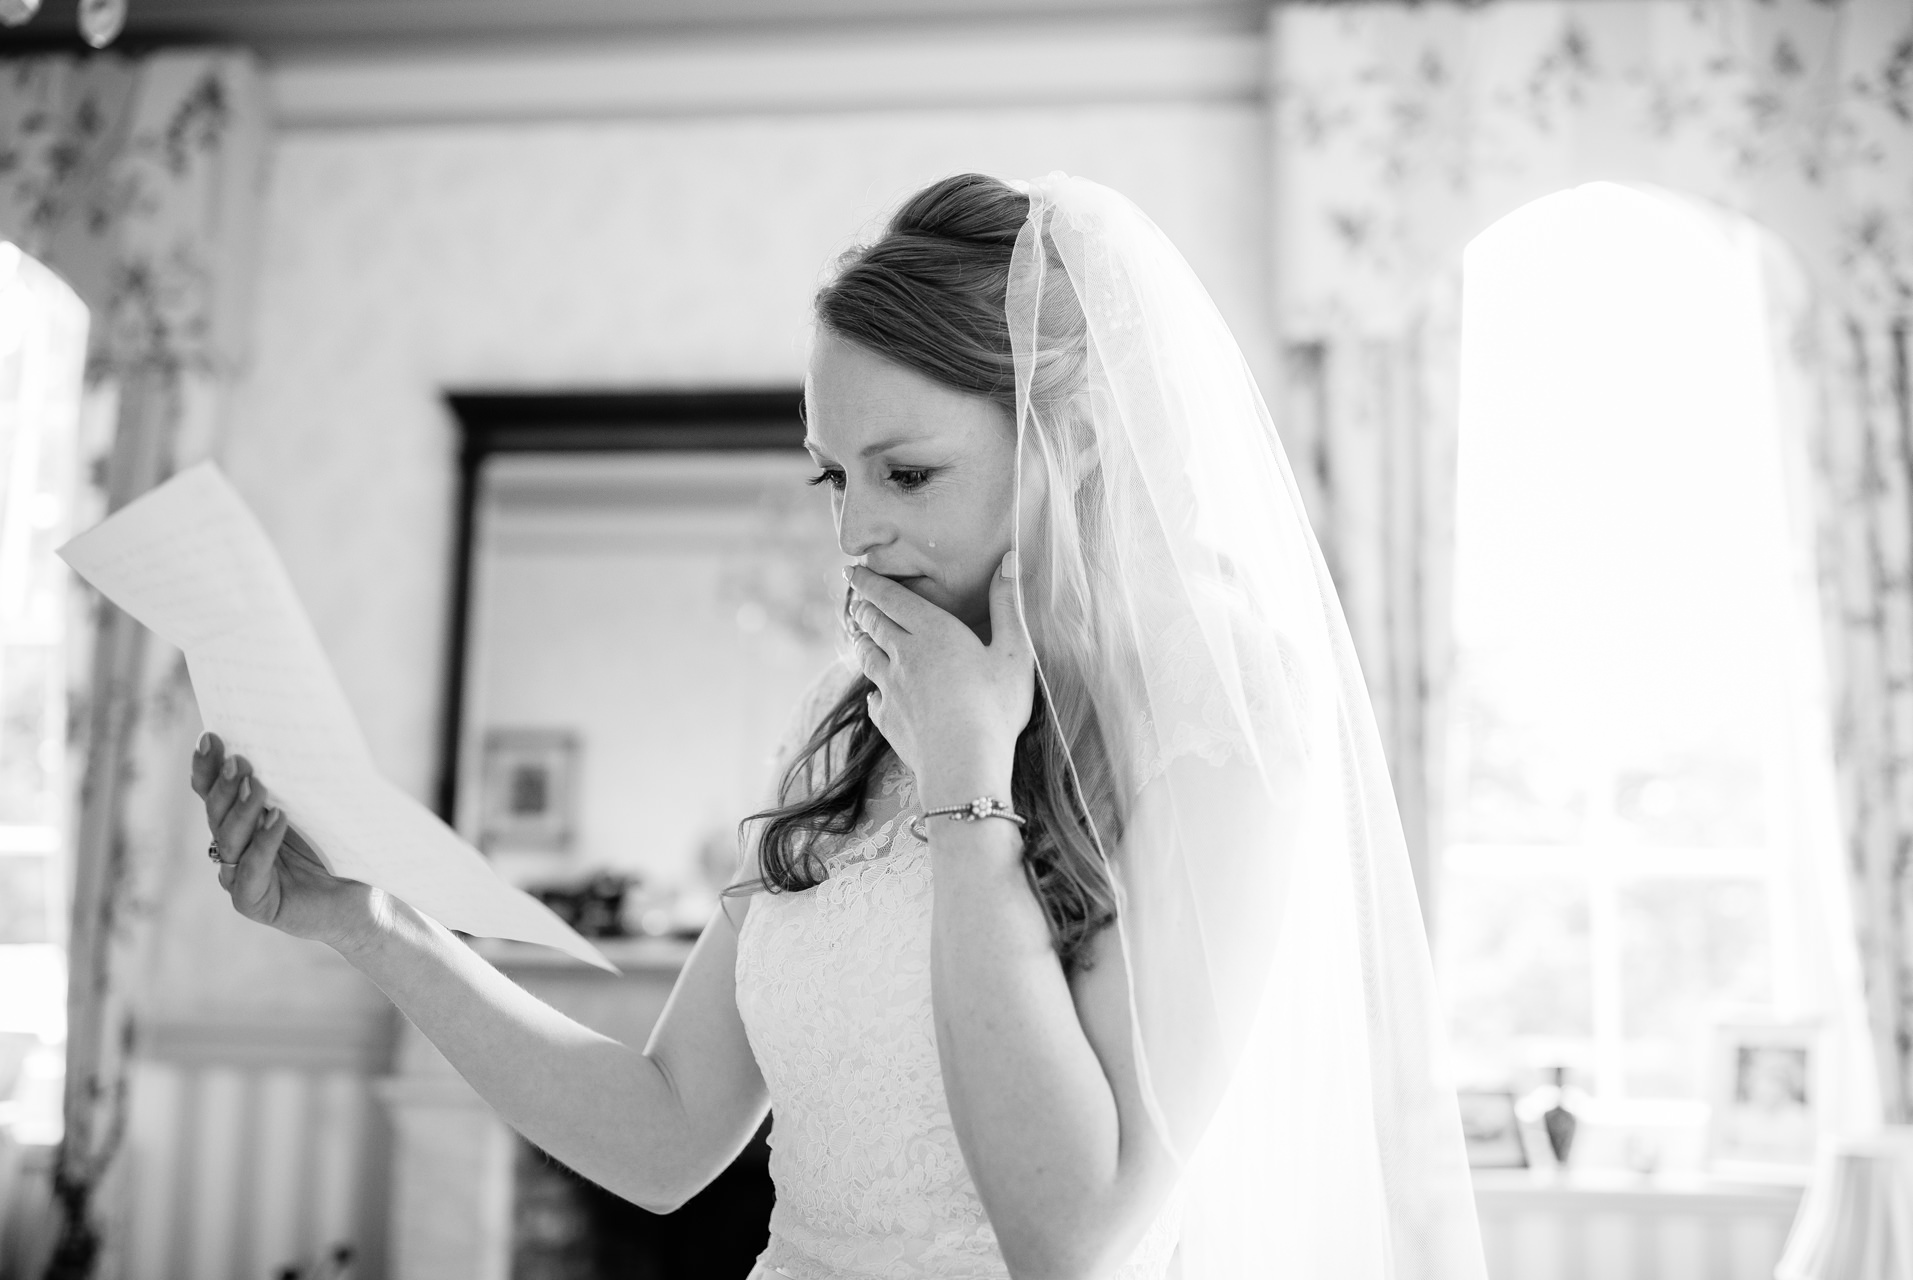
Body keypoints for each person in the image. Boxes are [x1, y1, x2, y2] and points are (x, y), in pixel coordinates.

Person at [192, 173, 1486, 1279]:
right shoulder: (850, 707)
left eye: (907, 473)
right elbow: (665, 1132)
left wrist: (969, 776)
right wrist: (373, 925)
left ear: (1071, 441)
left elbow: (1073, 1237)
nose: (856, 532)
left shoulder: (1216, 725)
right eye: (833, 475)